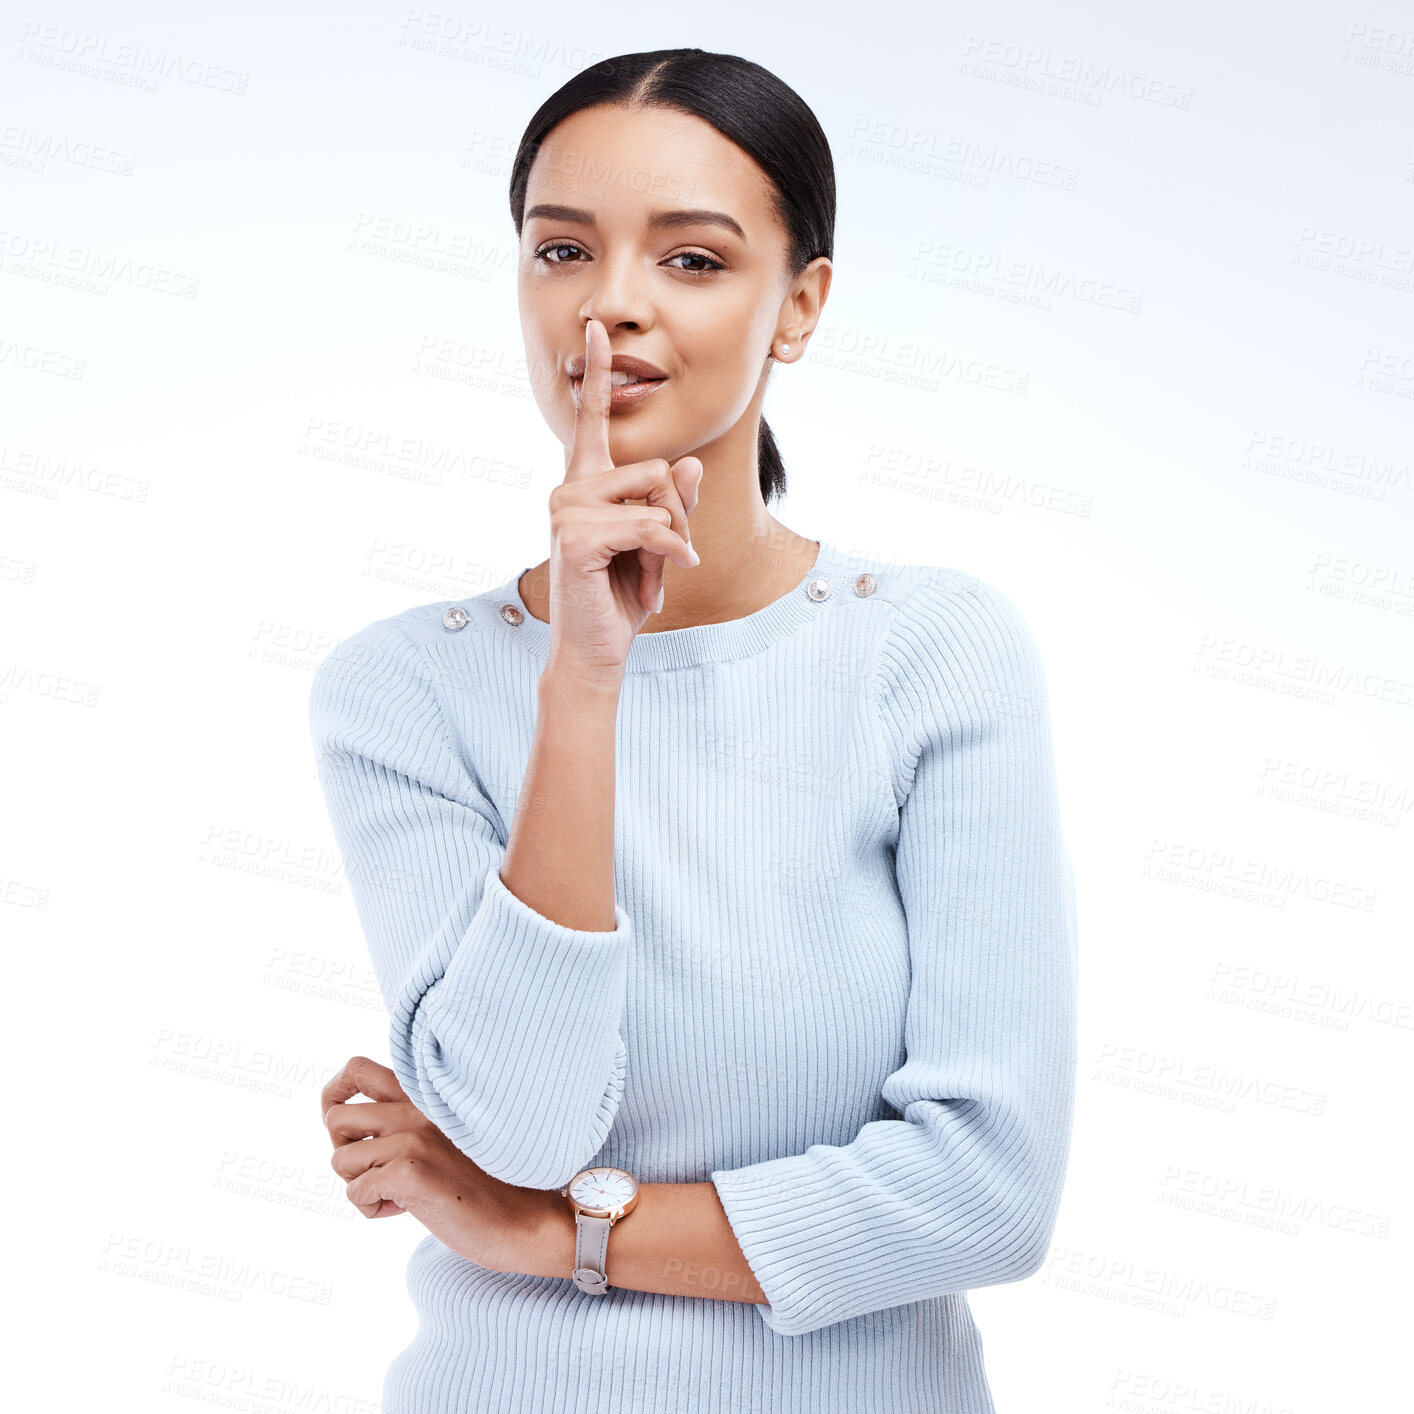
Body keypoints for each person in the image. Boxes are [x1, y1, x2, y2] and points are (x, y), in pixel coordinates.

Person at [311, 46, 1078, 1414]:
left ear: (800, 306)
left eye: (692, 260)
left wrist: (561, 1232)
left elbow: (983, 1191)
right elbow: (521, 1120)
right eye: (561, 251)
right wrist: (584, 681)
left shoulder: (927, 652)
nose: (609, 308)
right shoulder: (401, 691)